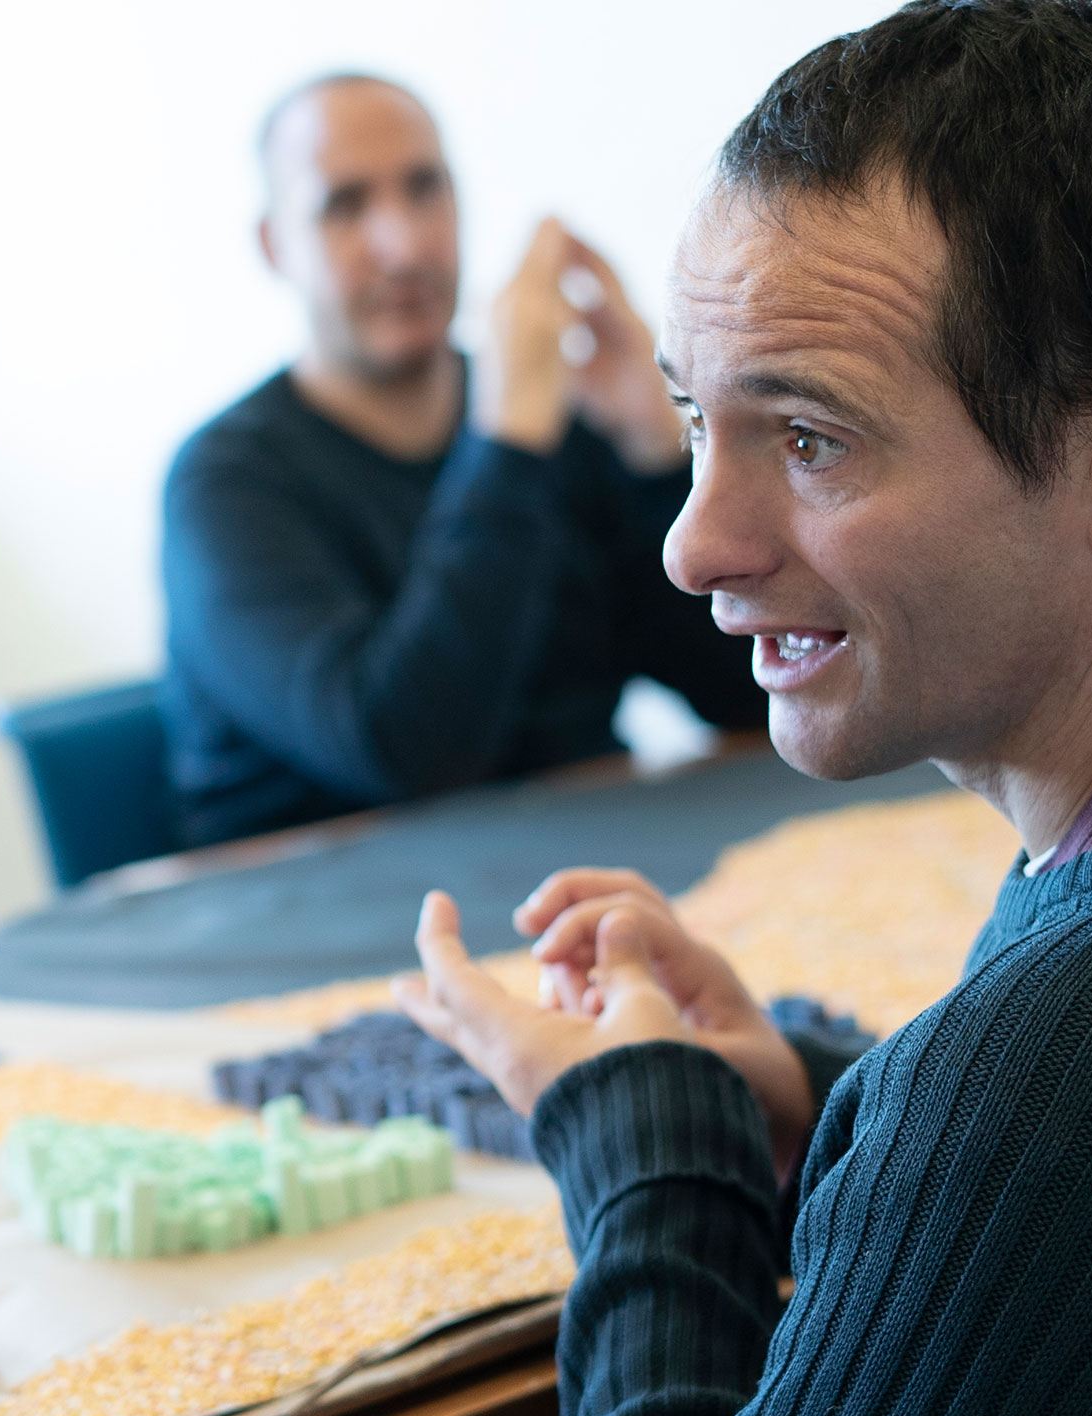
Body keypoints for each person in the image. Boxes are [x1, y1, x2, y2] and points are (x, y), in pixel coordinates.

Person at [392, 3, 1092, 1416]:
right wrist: (837, 1108)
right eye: (694, 418)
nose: (692, 545)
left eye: (808, 437)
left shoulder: (1051, 1108)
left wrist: (652, 1154)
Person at [160, 74, 764, 848]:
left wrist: (659, 452)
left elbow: (746, 698)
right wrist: (509, 442)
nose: (405, 245)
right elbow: (406, 752)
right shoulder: (224, 486)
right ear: (276, 246)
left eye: (424, 189)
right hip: (325, 895)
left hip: (586, 863)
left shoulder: (556, 419)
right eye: (344, 205)